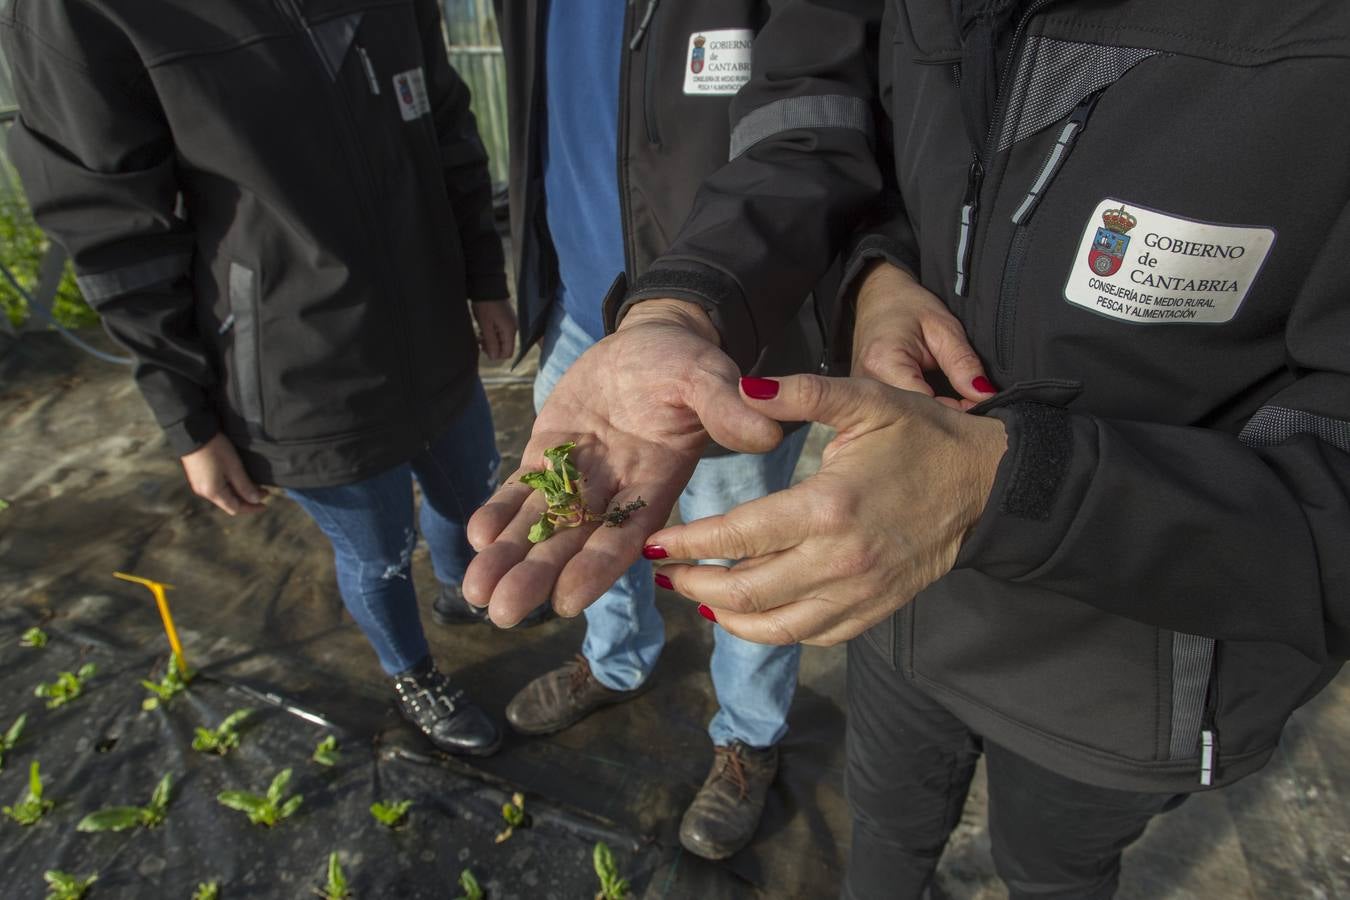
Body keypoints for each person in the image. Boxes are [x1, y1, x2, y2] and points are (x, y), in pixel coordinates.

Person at [466, 0, 1350, 896]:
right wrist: (865, 273)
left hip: (1136, 662)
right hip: (900, 610)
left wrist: (1006, 487)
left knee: (1053, 872)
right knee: (884, 835)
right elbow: (835, 116)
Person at [2, 0, 516, 757]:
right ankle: (412, 675)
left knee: (470, 485)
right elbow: (114, 228)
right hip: (295, 367)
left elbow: (440, 113)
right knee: (376, 548)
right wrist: (190, 421)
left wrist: (481, 273)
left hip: (433, 322)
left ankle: (458, 589)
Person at [475, 0, 836, 860]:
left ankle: (748, 734)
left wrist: (695, 309)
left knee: (737, 561)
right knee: (582, 532)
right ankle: (615, 660)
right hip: (578, 314)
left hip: (726, 332)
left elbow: (820, 134)